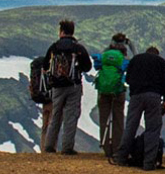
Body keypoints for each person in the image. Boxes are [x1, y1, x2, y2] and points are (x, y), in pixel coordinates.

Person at [40, 19, 93, 154]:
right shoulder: (78, 48)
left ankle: (49, 146)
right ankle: (67, 147)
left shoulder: (54, 47)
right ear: (72, 32)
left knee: (56, 115)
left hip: (57, 87)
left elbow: (45, 65)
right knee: (71, 116)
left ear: (61, 32)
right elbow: (87, 67)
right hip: (73, 85)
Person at [118, 43, 165, 171]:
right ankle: (148, 163)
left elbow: (128, 79)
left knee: (131, 126)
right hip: (154, 97)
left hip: (136, 96)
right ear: (157, 54)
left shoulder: (136, 60)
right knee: (152, 129)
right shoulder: (162, 63)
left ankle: (121, 158)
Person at [94, 33, 131, 156]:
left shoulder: (104, 56)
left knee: (104, 118)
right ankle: (117, 147)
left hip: (103, 91)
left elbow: (97, 65)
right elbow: (134, 63)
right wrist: (132, 46)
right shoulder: (123, 59)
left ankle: (105, 147)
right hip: (118, 91)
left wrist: (107, 49)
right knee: (118, 119)